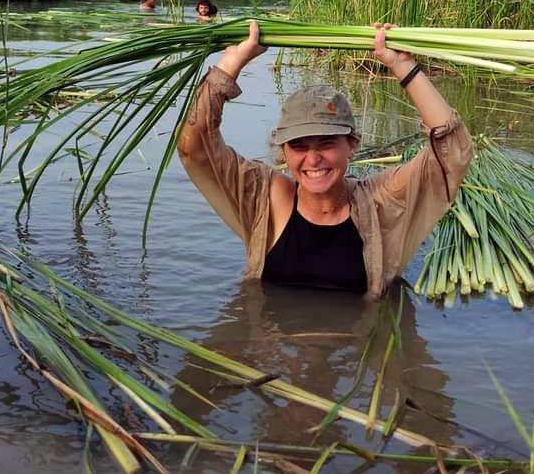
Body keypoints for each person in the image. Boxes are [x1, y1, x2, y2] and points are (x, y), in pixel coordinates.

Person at [176, 21, 472, 298]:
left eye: (327, 143)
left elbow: (453, 153)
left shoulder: (382, 202)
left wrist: (403, 67)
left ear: (352, 146)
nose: (313, 159)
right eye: (299, 146)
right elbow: (194, 148)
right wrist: (232, 63)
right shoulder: (266, 199)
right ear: (284, 151)